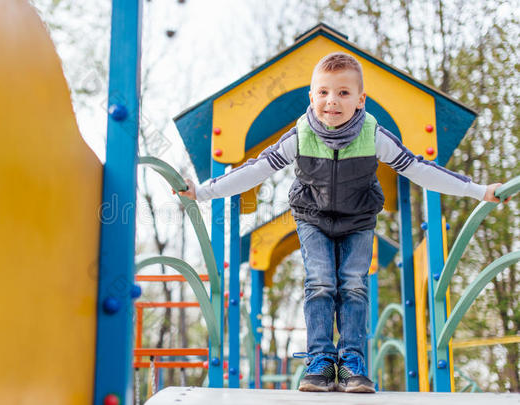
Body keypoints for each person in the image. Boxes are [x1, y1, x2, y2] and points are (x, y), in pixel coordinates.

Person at [176, 52, 508, 393]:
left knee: (353, 284)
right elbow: (256, 168)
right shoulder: (301, 135)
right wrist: (202, 192)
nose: (332, 101)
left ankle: (351, 362)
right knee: (320, 281)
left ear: (360, 100)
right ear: (312, 97)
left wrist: (479, 190)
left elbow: (420, 168)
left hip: (359, 219)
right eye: (323, 92)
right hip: (312, 217)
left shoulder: (373, 134)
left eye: (343, 93)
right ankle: (320, 360)